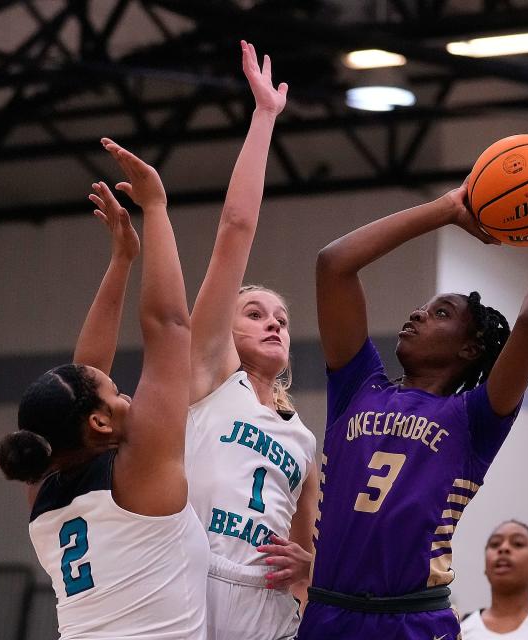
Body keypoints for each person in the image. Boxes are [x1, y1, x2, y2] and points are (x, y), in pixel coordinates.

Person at [298, 155, 528, 639]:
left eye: (440, 313)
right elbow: (334, 264)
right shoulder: (357, 386)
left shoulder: (475, 418)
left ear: (471, 346)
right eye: (422, 307)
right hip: (329, 611)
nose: (416, 315)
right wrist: (448, 209)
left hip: (412, 619)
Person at [0, 139, 208, 639]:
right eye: (118, 393)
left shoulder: (43, 492)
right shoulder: (142, 472)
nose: (129, 396)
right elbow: (170, 326)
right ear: (99, 422)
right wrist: (155, 209)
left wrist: (122, 260)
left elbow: (84, 375)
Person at [184, 41, 318, 639]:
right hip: (192, 580)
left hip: (265, 608)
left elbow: (306, 558)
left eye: (282, 318)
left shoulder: (303, 440)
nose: (274, 323)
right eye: (256, 313)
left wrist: (311, 565)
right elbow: (236, 229)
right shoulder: (210, 379)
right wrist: (265, 117)